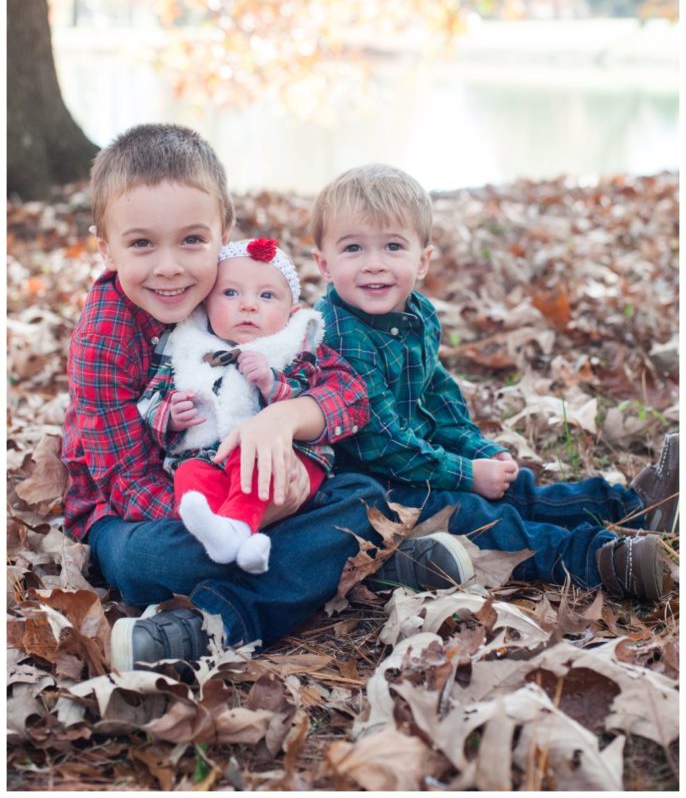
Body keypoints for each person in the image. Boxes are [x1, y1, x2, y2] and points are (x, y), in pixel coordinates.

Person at [61, 125, 470, 675]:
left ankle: (240, 607)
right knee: (143, 561)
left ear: (222, 234)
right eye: (141, 244)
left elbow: (347, 393)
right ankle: (356, 561)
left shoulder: (236, 292)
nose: (169, 267)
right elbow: (125, 481)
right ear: (105, 248)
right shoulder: (105, 335)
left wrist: (284, 419)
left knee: (361, 490)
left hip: (250, 489)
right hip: (139, 512)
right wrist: (250, 512)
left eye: (191, 241)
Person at [311, 163, 679, 602]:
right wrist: (467, 474)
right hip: (375, 487)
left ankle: (633, 508)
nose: (375, 265)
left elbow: (439, 395)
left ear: (423, 260)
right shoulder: (339, 335)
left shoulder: (416, 313)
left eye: (393, 246)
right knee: (483, 517)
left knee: (518, 488)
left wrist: (477, 451)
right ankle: (599, 560)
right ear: (324, 264)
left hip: (422, 460)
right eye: (353, 248)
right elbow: (381, 443)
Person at [138, 236, 342, 573]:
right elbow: (149, 402)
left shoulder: (294, 350)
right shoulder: (188, 349)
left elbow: (315, 394)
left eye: (266, 296)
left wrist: (272, 382)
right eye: (230, 293)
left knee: (254, 458)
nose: (248, 305)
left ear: (291, 313)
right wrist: (170, 416)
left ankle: (236, 531)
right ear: (205, 305)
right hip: (209, 460)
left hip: (286, 461)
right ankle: (234, 539)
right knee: (189, 476)